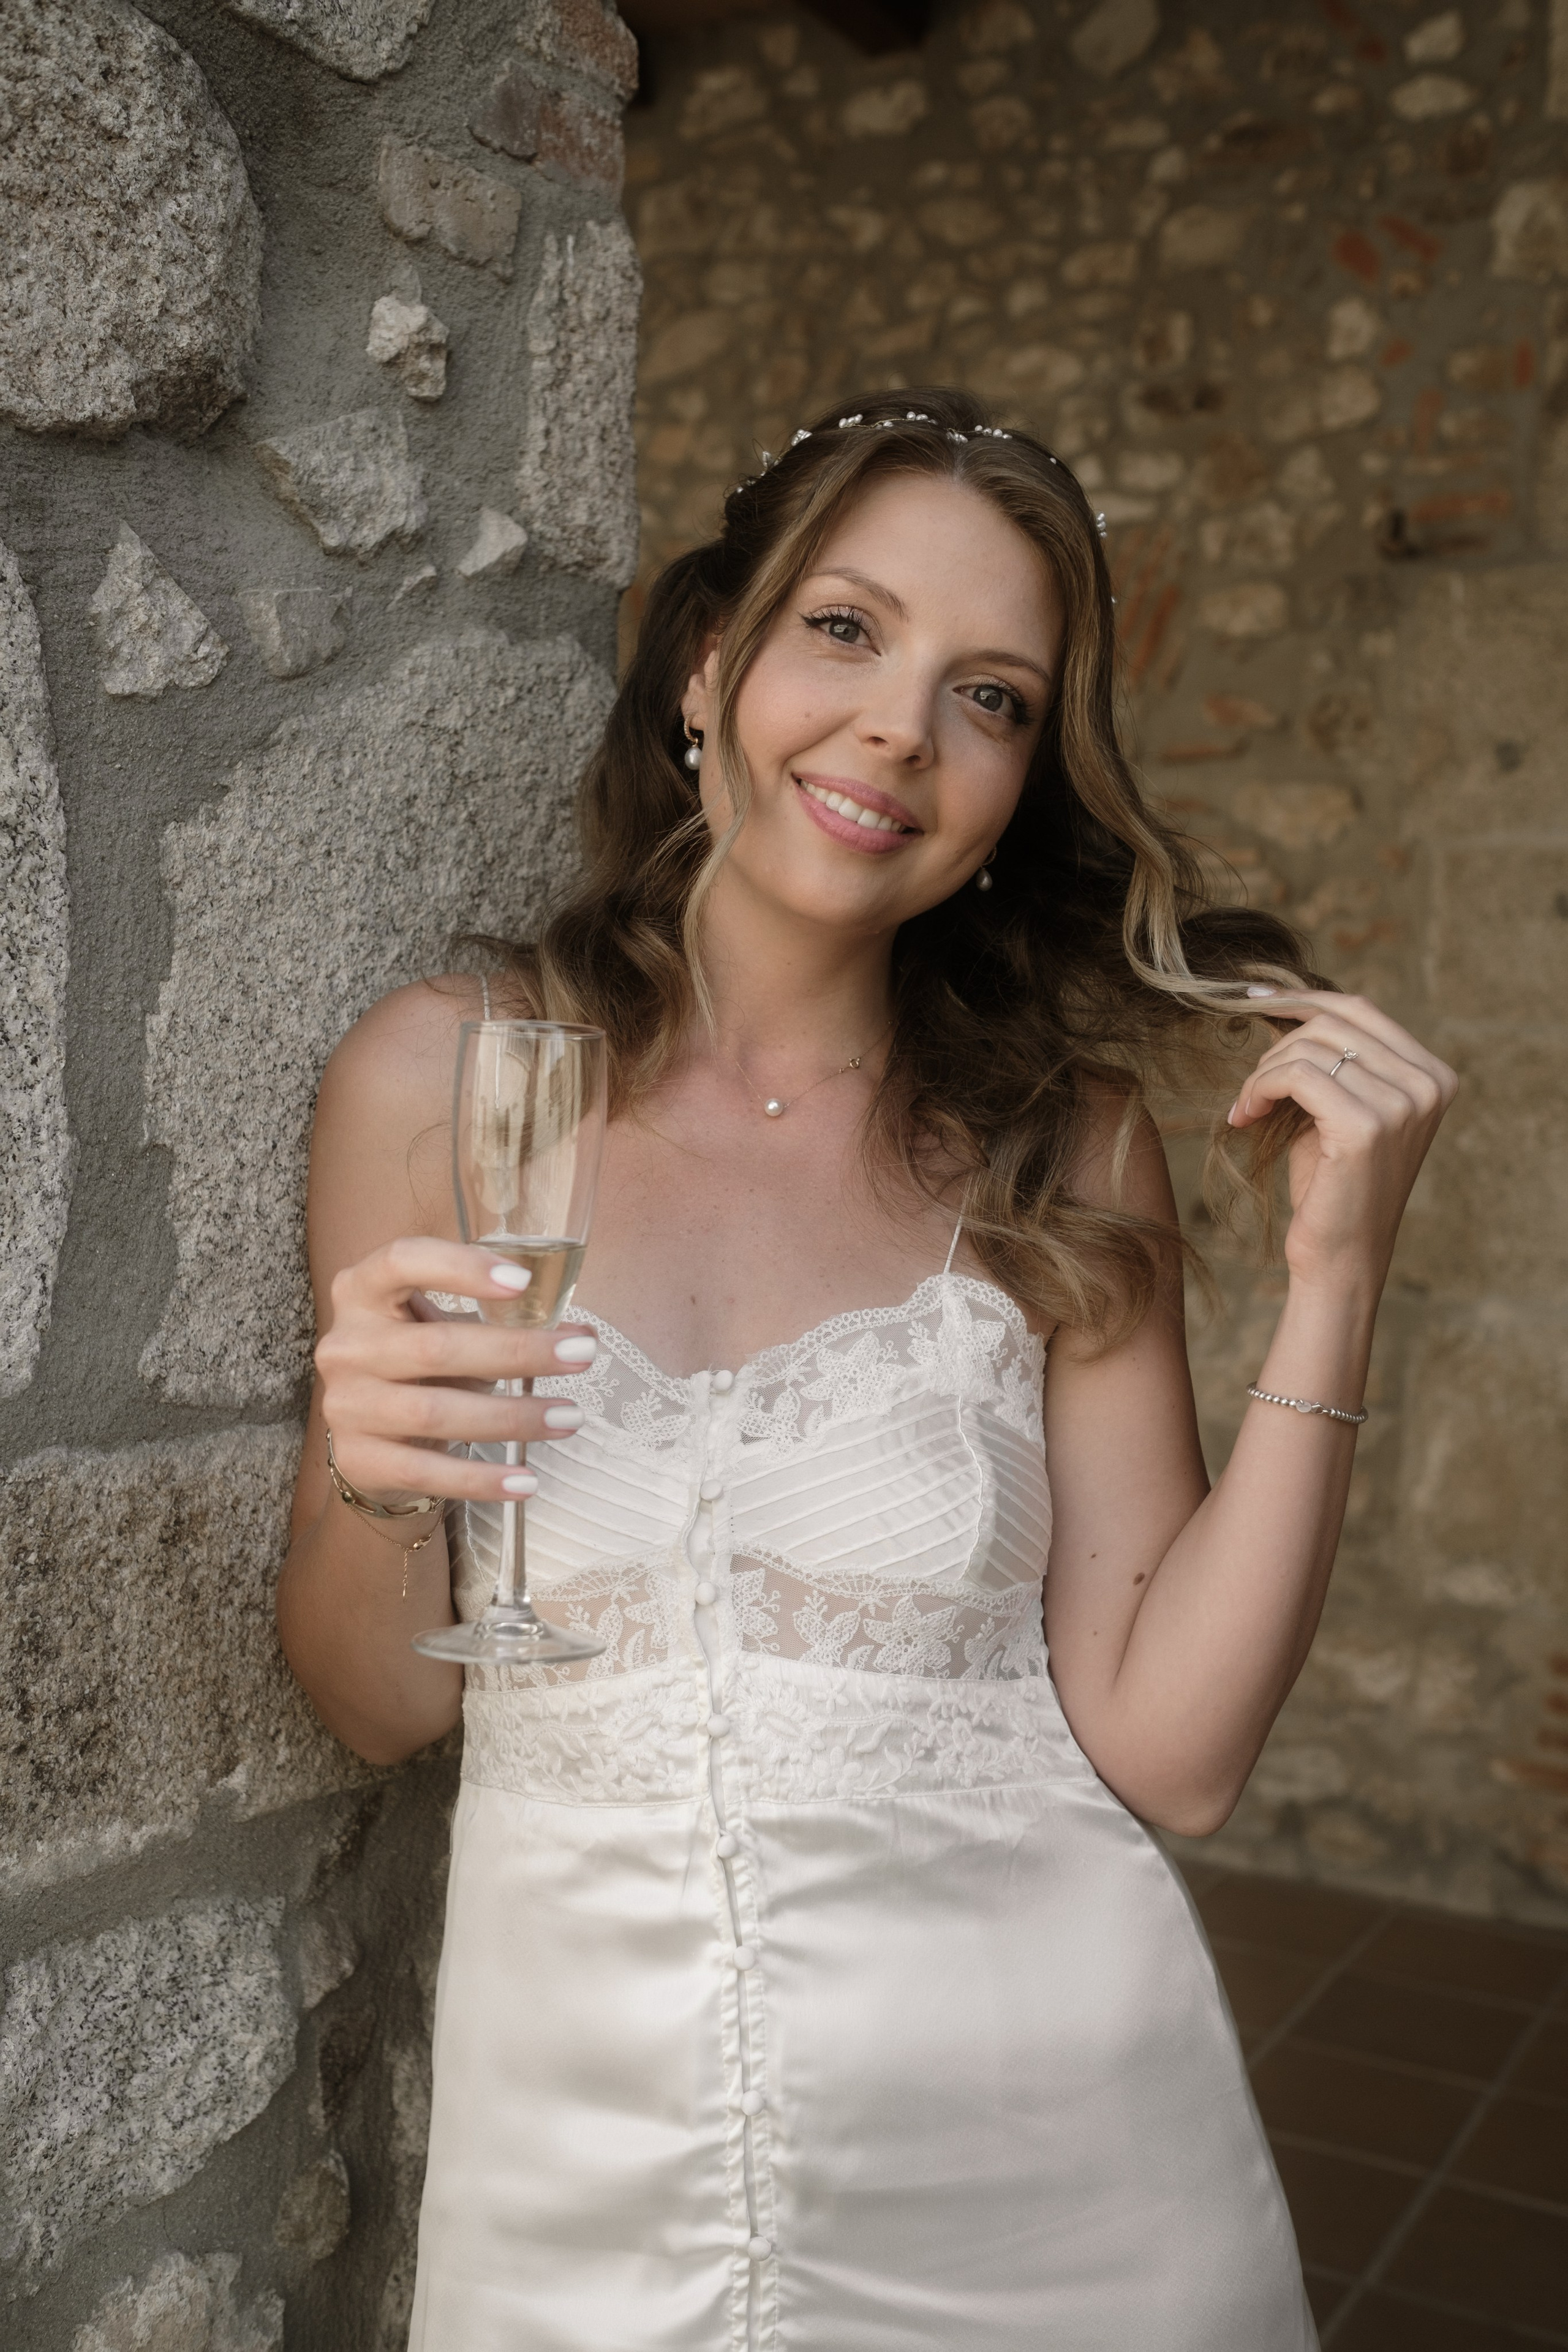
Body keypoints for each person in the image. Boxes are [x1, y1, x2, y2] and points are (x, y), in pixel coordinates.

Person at [278, 386, 1455, 2351]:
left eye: (992, 696)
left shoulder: (1061, 1147)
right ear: (710, 668)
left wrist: (1337, 1282)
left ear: (1017, 797)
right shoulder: (448, 1084)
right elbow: (376, 1699)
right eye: (848, 629)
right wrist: (382, 1477)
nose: (905, 725)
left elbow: (1180, 1747)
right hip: (587, 2181)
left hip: (1053, 2164)